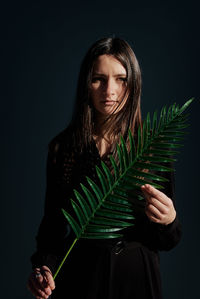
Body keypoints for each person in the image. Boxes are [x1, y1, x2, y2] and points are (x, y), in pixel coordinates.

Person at [27, 37, 181, 299]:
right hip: (81, 280)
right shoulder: (64, 149)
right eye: (98, 78)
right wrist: (44, 268)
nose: (109, 90)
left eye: (120, 79)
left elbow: (166, 241)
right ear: (85, 84)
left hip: (137, 281)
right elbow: (52, 228)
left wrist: (169, 220)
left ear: (133, 84)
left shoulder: (151, 149)